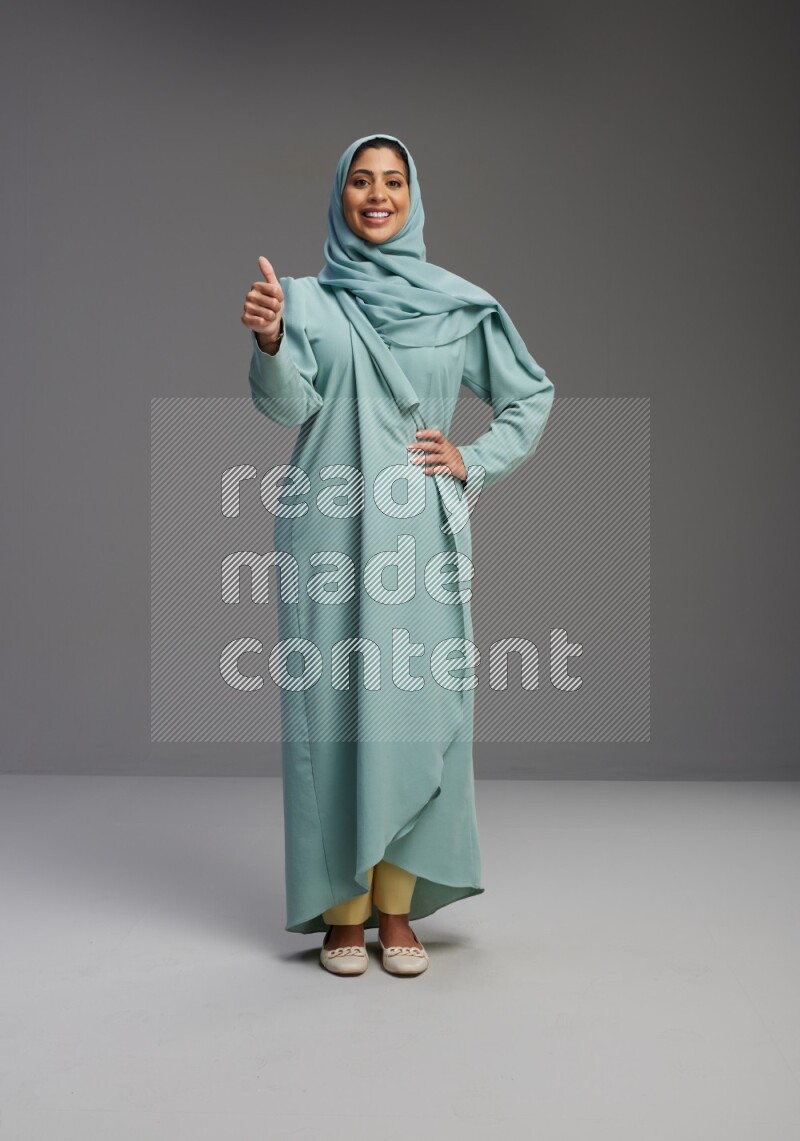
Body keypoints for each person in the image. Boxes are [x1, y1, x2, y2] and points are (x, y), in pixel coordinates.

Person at [240, 132, 554, 977]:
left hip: (418, 534)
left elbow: (529, 393)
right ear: (339, 195)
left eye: (392, 182)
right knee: (336, 720)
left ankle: (397, 908)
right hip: (329, 532)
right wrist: (271, 344)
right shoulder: (304, 301)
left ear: (414, 197)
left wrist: (473, 460)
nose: (376, 195)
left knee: (415, 710)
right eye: (360, 182)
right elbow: (286, 408)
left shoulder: (459, 306)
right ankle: (344, 914)